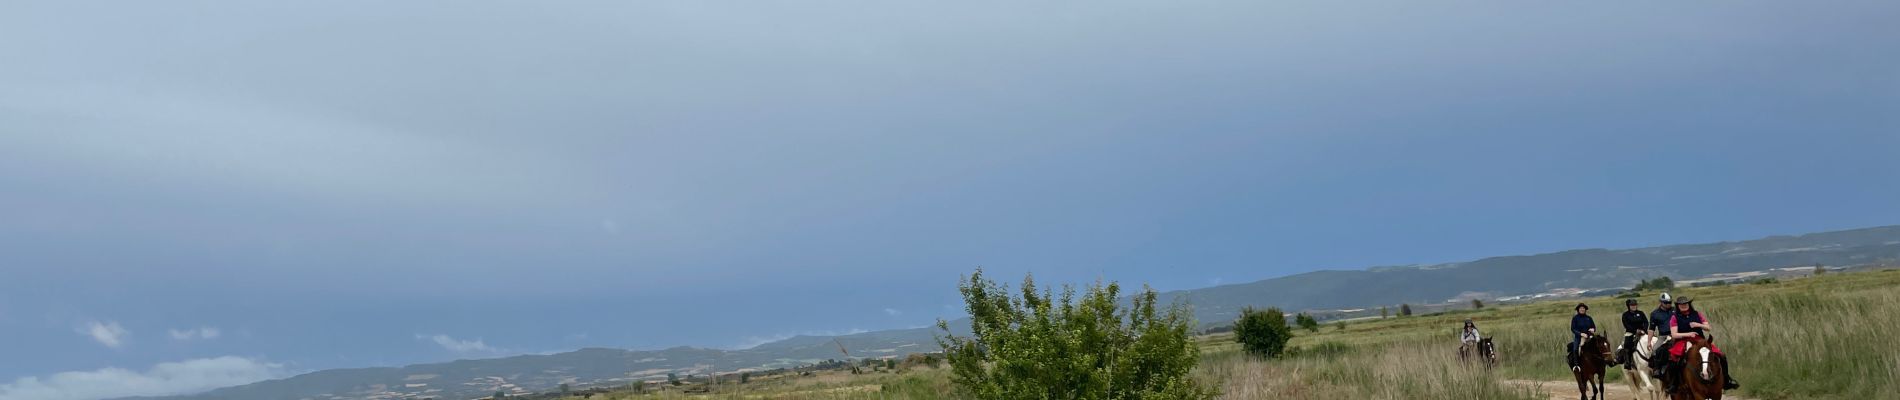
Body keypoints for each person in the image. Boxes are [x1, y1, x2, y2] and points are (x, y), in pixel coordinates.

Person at [1658, 296, 1739, 390]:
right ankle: (1674, 384)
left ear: (1689, 304)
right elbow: (1674, 334)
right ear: (1678, 306)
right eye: (1681, 304)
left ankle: (1726, 380)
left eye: (1685, 304)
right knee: (1674, 360)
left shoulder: (1697, 314)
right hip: (1683, 340)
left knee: (1721, 355)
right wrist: (1688, 334)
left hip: (1699, 340)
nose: (1684, 306)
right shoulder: (1674, 317)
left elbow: (1708, 328)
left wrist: (1698, 325)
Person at [1616, 298, 1647, 366]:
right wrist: (1635, 331)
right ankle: (1628, 361)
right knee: (1627, 344)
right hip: (1631, 332)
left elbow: (1646, 322)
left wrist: (1644, 330)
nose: (1634, 306)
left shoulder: (1641, 313)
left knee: (1652, 340)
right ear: (1629, 306)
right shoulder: (1625, 315)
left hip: (1642, 332)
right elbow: (1626, 325)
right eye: (1632, 305)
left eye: (1635, 305)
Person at [1567, 302, 1596, 372]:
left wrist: (1593, 329)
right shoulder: (1575, 318)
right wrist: (1581, 334)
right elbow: (1573, 329)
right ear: (1578, 310)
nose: (1582, 309)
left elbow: (1594, 327)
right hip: (1579, 337)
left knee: (1599, 345)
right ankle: (1576, 365)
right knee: (1575, 349)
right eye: (1581, 308)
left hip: (1589, 336)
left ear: (1585, 309)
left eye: (1583, 308)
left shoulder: (1589, 318)